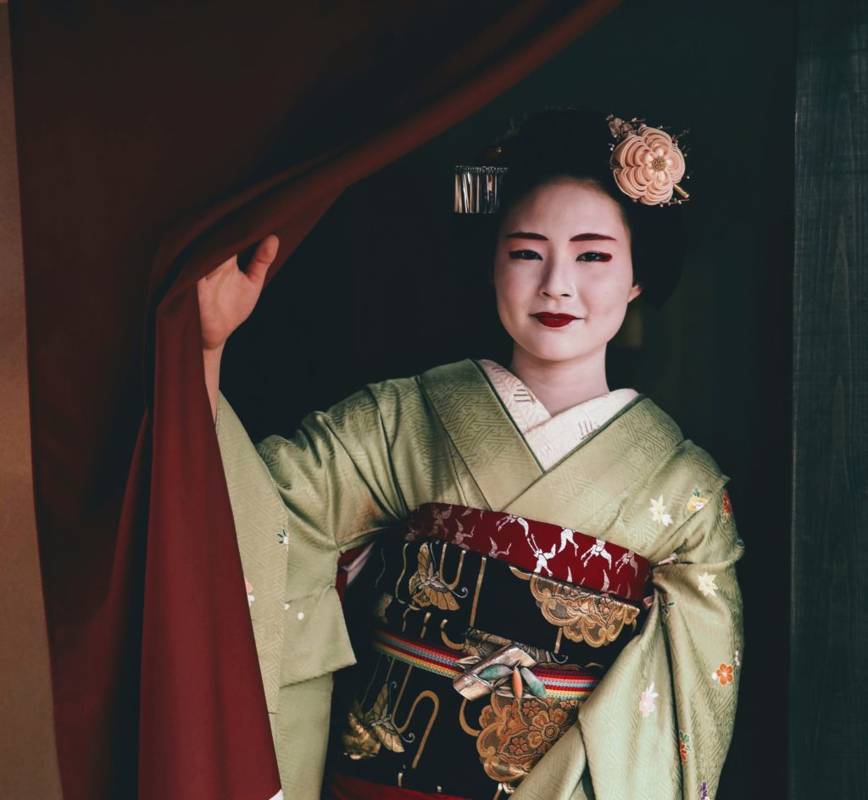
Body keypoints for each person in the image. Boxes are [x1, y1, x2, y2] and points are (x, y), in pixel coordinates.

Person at [199, 108, 744, 800]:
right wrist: (204, 355)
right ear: (491, 263)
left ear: (639, 275)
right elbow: (261, 517)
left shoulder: (685, 488)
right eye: (525, 251)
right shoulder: (407, 417)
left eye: (594, 254)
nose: (556, 283)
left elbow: (688, 704)